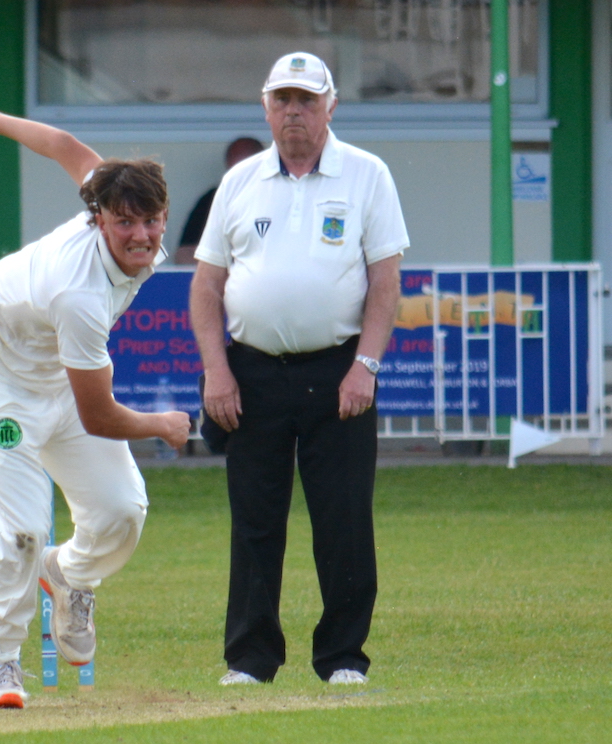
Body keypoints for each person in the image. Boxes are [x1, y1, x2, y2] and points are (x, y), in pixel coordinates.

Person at [0, 100, 191, 710]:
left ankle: (69, 574)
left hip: (55, 376)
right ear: (99, 220)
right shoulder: (78, 294)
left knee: (123, 512)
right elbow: (100, 415)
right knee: (23, 526)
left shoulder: (112, 197)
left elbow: (64, 145)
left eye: (151, 222)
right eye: (126, 224)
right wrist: (162, 424)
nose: (142, 236)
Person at [189, 52, 409, 687]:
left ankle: (343, 657)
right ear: (265, 107)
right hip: (251, 373)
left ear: (330, 106)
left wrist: (365, 365)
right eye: (282, 100)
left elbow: (385, 282)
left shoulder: (367, 175)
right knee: (255, 521)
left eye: (306, 100)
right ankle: (250, 660)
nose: (294, 112)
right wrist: (216, 372)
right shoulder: (240, 182)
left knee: (343, 518)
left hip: (338, 369)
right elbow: (207, 288)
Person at [174, 137, 263, 265]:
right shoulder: (212, 200)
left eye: (248, 171)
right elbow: (183, 255)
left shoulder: (278, 198)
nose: (241, 178)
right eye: (235, 171)